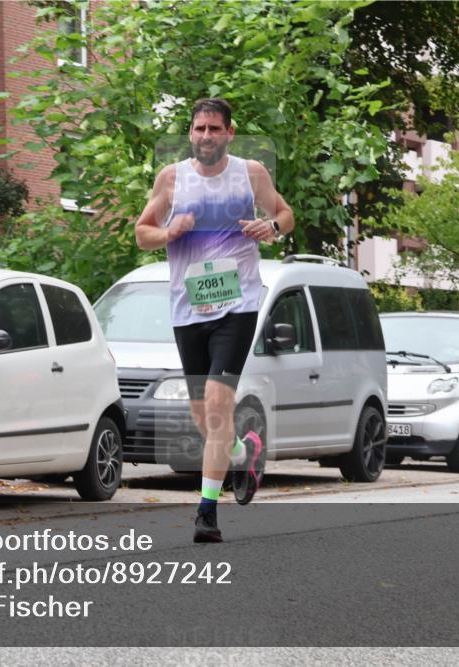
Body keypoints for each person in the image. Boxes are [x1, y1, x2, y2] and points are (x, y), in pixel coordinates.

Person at [135, 98, 294, 542]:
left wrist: (272, 228)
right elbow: (142, 232)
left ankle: (206, 513)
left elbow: (285, 214)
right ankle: (243, 450)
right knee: (203, 415)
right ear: (190, 133)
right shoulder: (171, 178)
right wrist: (168, 232)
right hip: (189, 309)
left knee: (220, 406)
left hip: (237, 306)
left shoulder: (251, 173)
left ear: (229, 132)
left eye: (214, 128)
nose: (206, 136)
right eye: (199, 128)